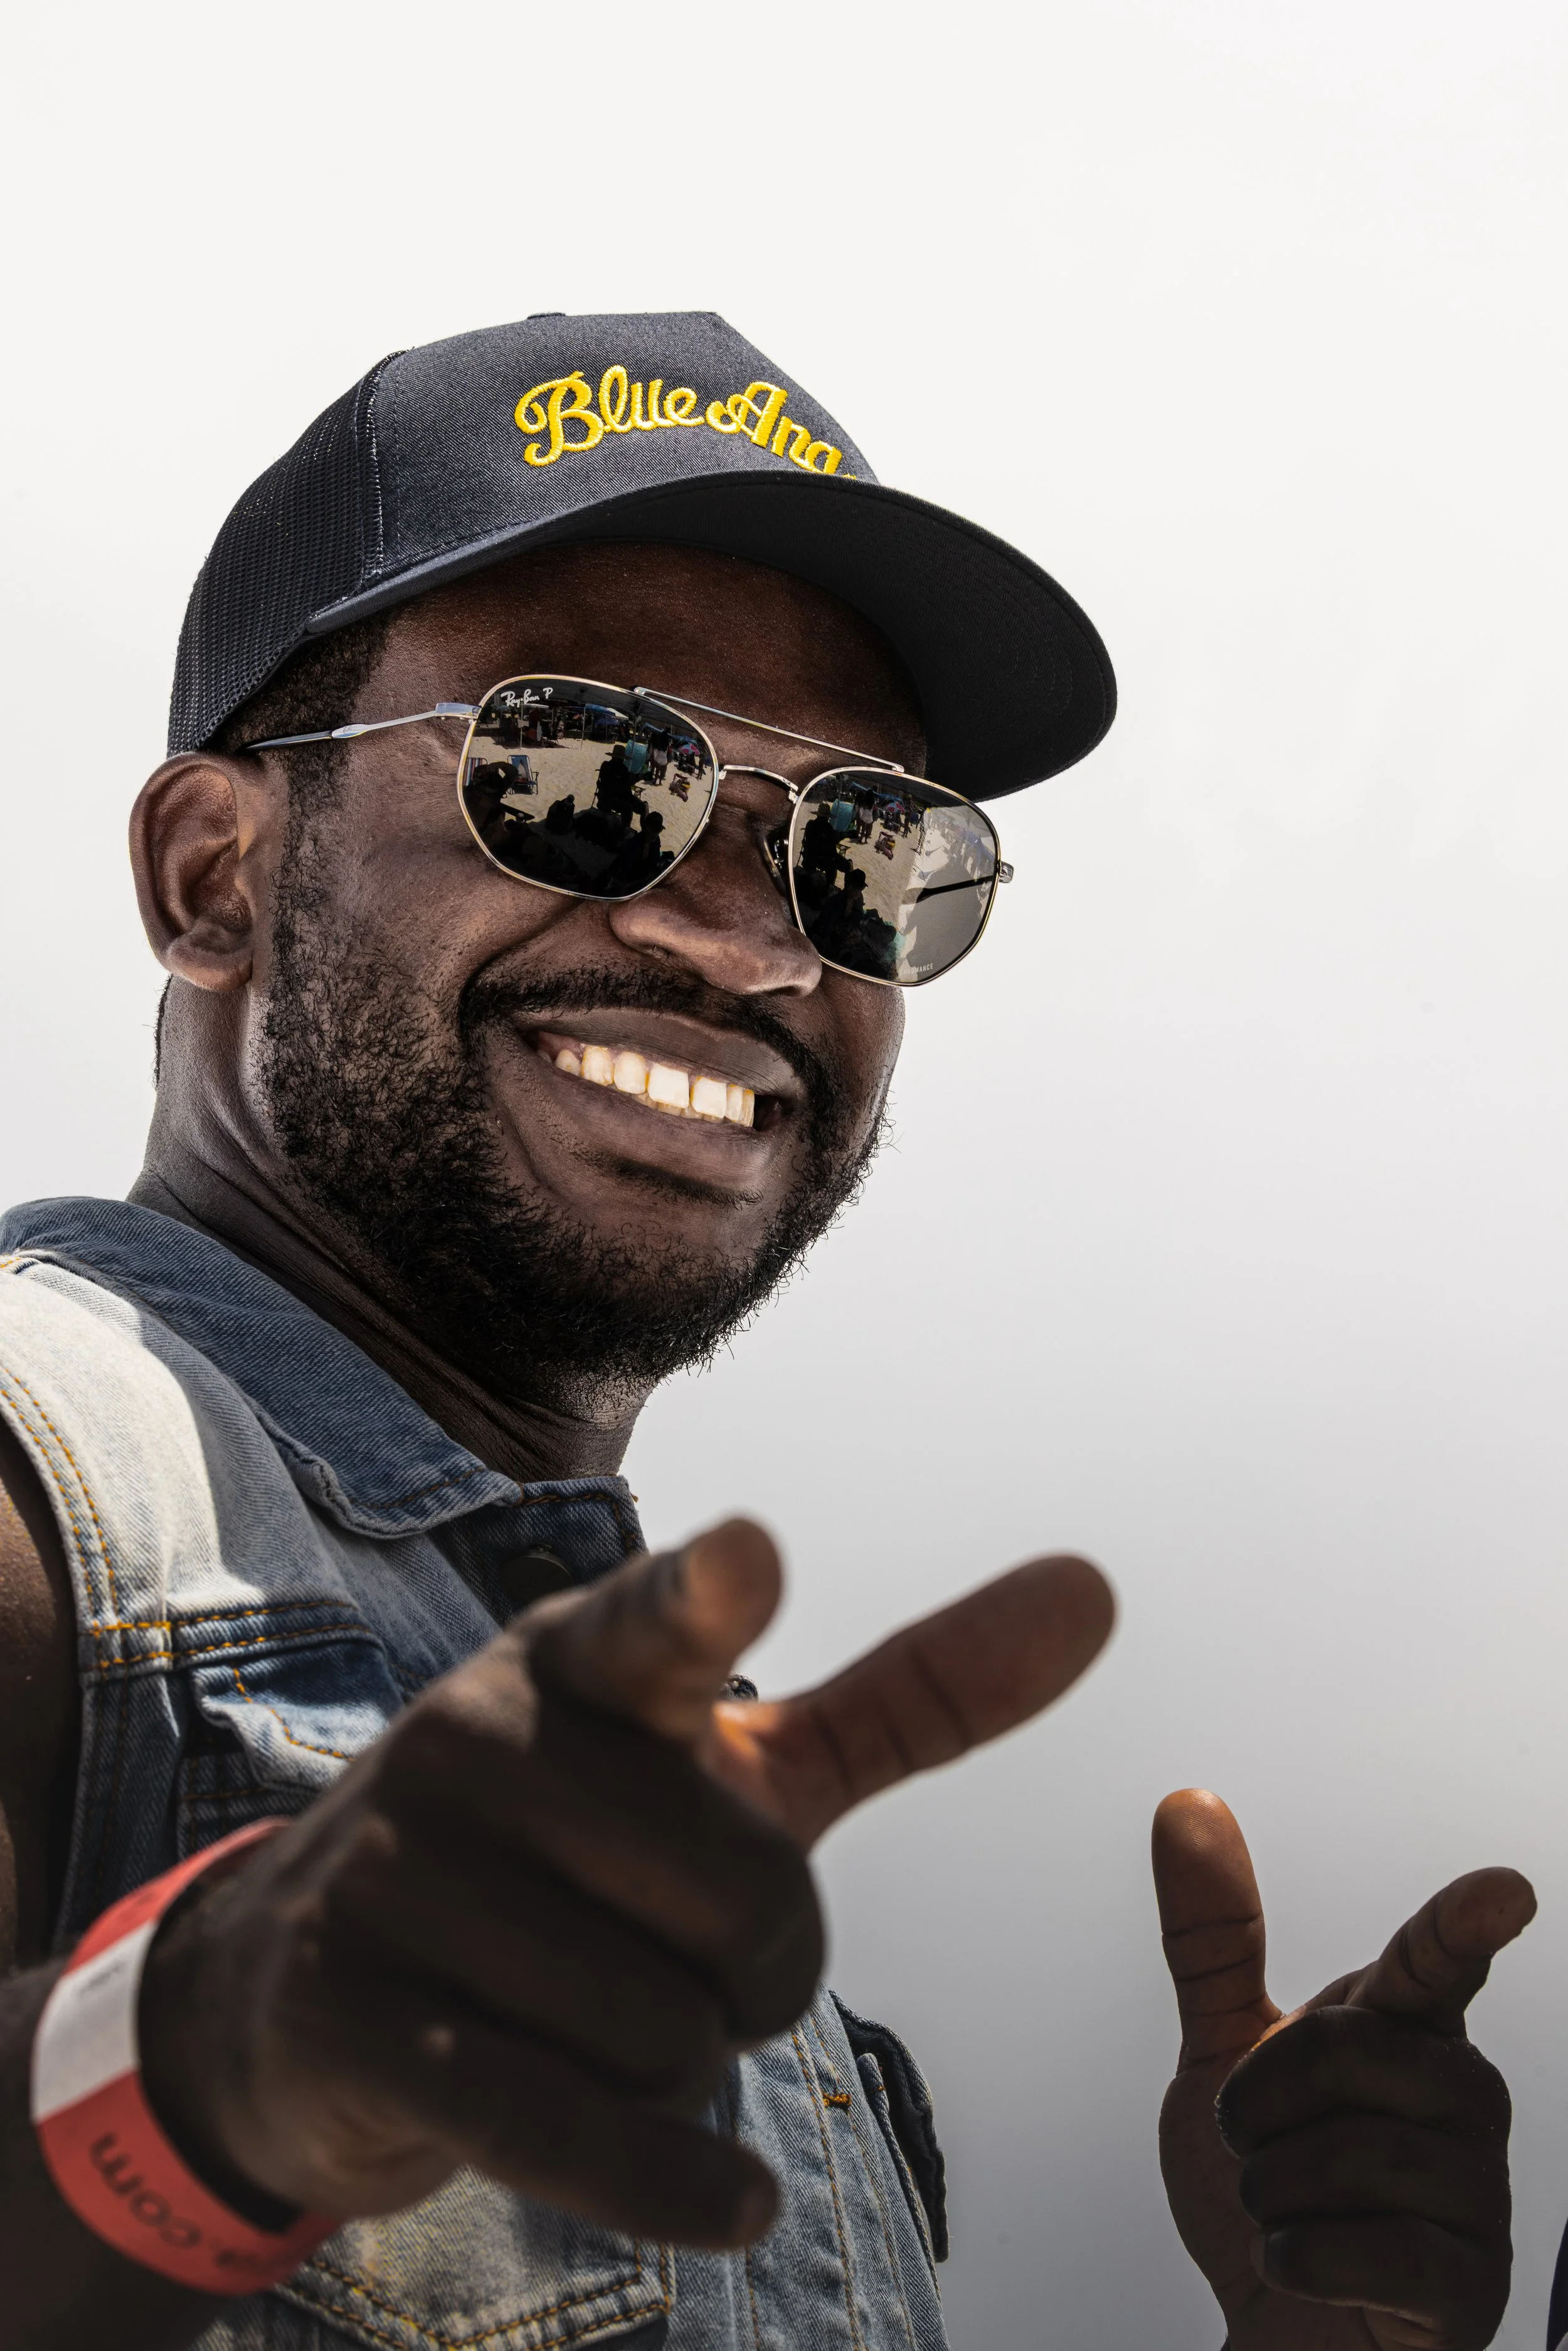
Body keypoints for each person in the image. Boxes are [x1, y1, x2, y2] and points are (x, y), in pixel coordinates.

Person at [0, 310, 1532, 2351]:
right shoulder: (37, 1493)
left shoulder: (653, 1802)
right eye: (581, 774)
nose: (743, 939)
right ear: (214, 874)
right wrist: (191, 2062)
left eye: (862, 849)